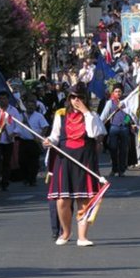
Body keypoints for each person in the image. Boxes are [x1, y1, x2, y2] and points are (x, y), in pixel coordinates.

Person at [44, 82, 107, 247]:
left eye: (79, 97)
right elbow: (55, 136)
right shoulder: (61, 114)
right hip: (65, 160)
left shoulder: (92, 115)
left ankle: (82, 236)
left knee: (83, 199)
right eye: (73, 97)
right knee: (62, 200)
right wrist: (48, 141)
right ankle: (66, 232)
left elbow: (95, 133)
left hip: (85, 160)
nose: (76, 100)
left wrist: (86, 112)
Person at [16, 94, 49, 186]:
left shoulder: (39, 116)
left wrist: (40, 136)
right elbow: (17, 127)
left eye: (32, 106)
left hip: (34, 141)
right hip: (23, 141)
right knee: (22, 160)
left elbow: (45, 126)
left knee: (33, 161)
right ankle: (26, 177)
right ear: (25, 105)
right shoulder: (21, 115)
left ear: (35, 106)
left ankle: (32, 179)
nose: (30, 107)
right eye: (28, 105)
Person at [100, 83, 131, 177]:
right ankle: (114, 169)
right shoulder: (110, 102)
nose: (118, 93)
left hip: (124, 128)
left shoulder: (126, 102)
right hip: (114, 127)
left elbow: (130, 115)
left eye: (119, 91)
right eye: (116, 91)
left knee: (123, 150)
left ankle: (121, 170)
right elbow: (104, 115)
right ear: (113, 92)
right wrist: (99, 125)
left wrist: (126, 121)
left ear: (122, 92)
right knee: (113, 149)